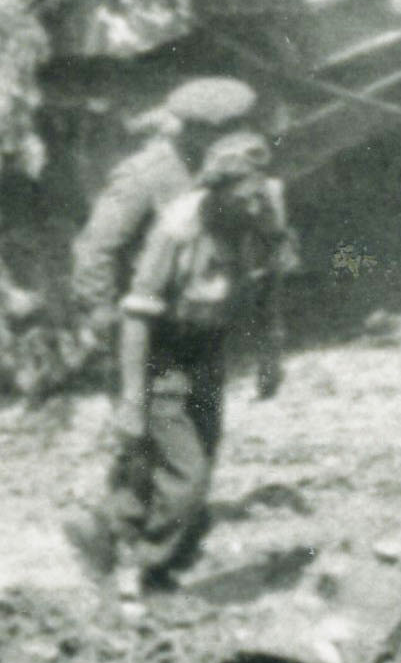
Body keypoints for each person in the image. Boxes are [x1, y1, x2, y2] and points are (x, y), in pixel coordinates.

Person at [95, 127, 289, 595]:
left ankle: (121, 535)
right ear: (214, 192)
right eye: (242, 196)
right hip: (161, 355)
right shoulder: (177, 230)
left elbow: (267, 284)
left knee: (190, 456)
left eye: (257, 193)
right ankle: (145, 569)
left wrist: (270, 353)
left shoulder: (259, 219)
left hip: (207, 351)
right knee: (187, 475)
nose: (252, 205)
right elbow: (138, 316)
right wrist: (131, 401)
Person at [67, 80, 264, 336]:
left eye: (241, 127)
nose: (237, 139)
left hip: (205, 310)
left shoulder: (236, 166)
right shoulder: (146, 175)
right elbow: (97, 246)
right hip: (154, 317)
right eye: (225, 131)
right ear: (193, 130)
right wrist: (100, 310)